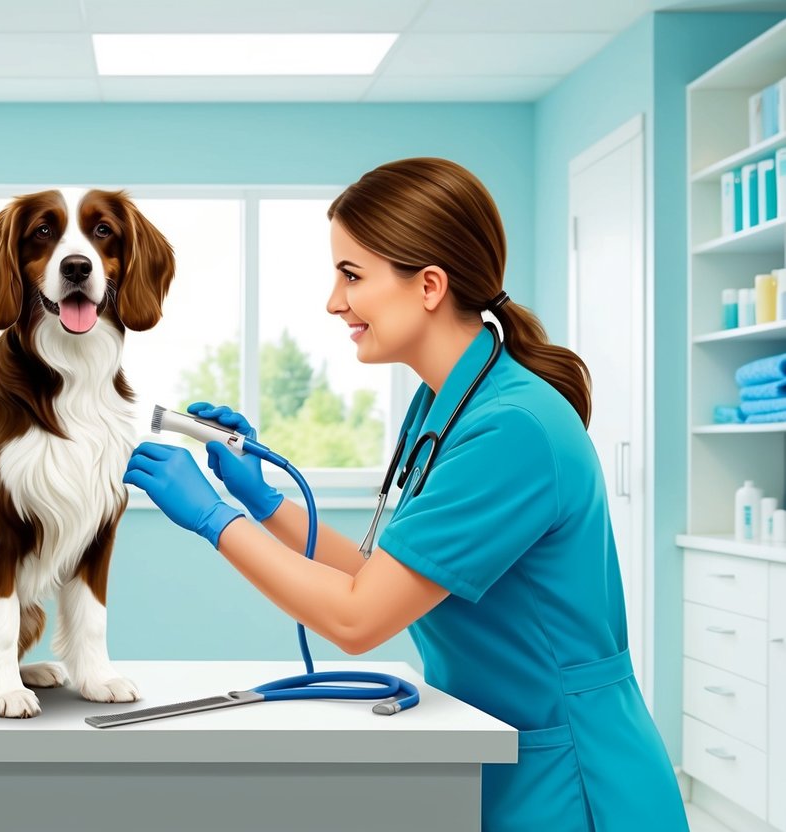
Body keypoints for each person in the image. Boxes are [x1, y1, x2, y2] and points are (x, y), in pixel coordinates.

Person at [122, 157, 688, 831]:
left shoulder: (511, 428)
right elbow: (388, 576)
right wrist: (265, 503)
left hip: (573, 777)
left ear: (428, 285)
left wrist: (214, 520)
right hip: (499, 747)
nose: (334, 301)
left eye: (351, 275)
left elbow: (360, 619)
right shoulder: (443, 406)